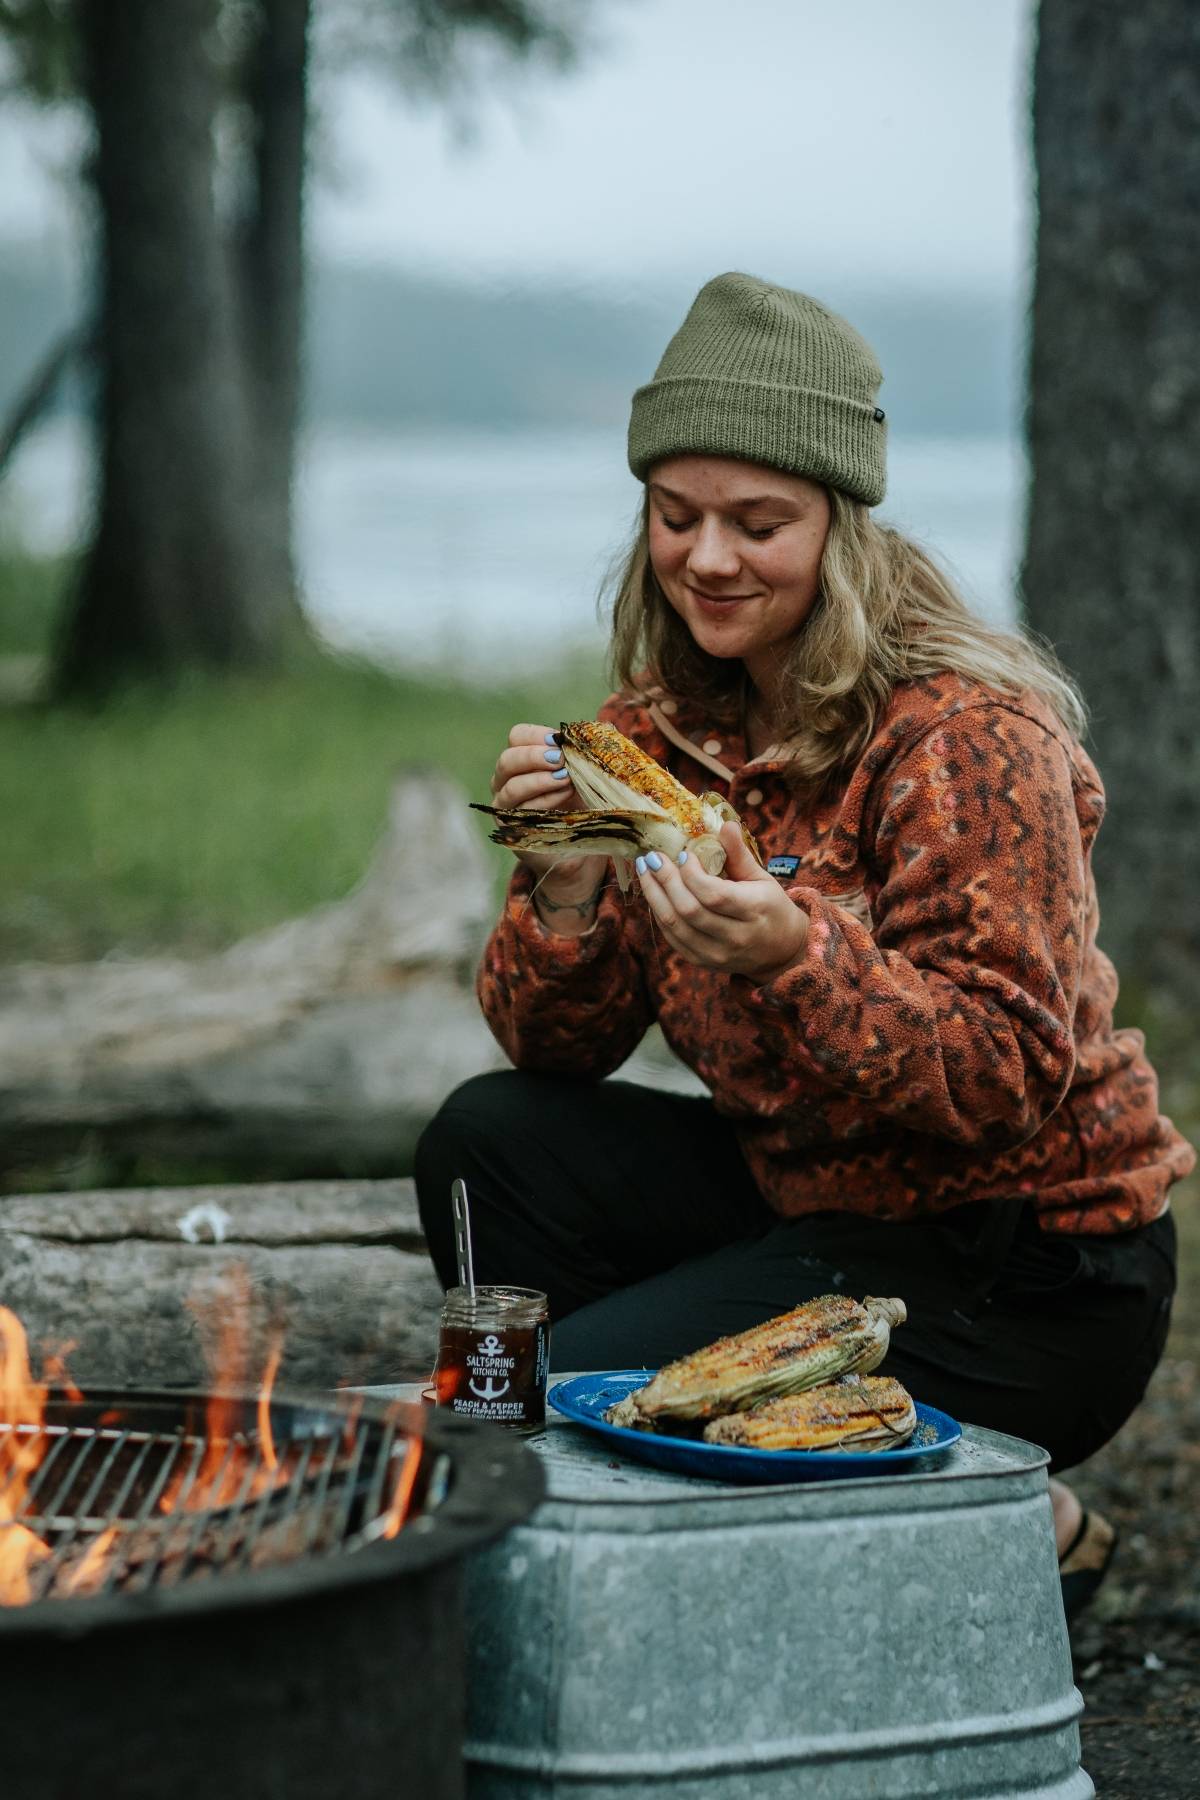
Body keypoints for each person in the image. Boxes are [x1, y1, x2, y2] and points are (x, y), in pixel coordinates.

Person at [415, 272, 1193, 1614]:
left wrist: (795, 956)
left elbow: (1007, 1079)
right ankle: (795, 1474)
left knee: (568, 1389)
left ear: (840, 525)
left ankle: (969, 1505)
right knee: (488, 1140)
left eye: (756, 522)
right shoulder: (657, 728)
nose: (707, 557)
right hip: (820, 1201)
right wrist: (560, 894)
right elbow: (559, 1048)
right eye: (677, 515)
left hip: (1025, 1262)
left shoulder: (962, 737)